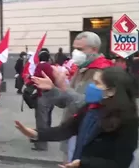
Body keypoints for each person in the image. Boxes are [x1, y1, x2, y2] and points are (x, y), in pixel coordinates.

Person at [16, 67, 138, 168]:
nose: (92, 86)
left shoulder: (127, 120)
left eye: (97, 83)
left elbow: (121, 163)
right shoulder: (91, 107)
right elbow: (66, 129)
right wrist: (35, 133)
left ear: (111, 91)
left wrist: (84, 163)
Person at [25, 31, 114, 162]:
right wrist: (52, 89)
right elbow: (65, 102)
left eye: (80, 49)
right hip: (71, 130)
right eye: (74, 48)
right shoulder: (80, 68)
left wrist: (64, 87)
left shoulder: (101, 72)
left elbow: (85, 105)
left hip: (87, 135)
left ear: (94, 49)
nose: (75, 53)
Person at [31, 49, 55, 151]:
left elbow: (35, 79)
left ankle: (41, 145)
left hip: (42, 95)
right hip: (51, 95)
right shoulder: (50, 67)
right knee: (47, 118)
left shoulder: (40, 66)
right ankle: (48, 136)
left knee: (41, 120)